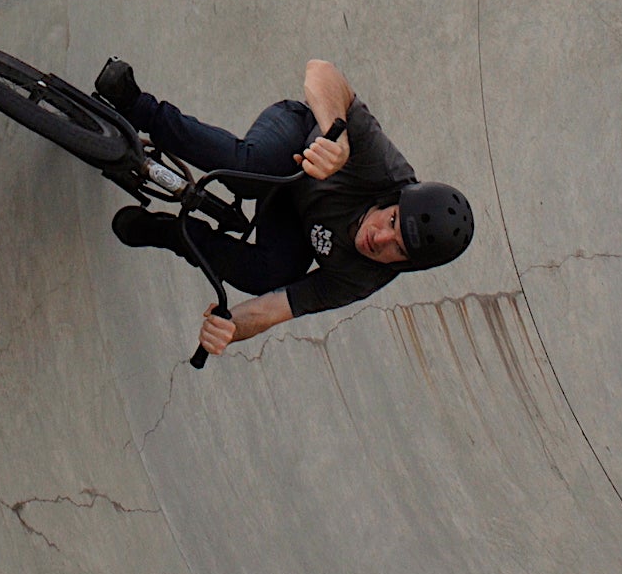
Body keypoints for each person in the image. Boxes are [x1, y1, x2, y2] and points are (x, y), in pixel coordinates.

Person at [96, 56, 474, 360]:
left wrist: (230, 329)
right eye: (391, 220)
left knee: (271, 274)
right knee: (247, 172)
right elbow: (321, 71)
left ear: (404, 266)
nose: (380, 238)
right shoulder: (381, 167)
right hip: (292, 140)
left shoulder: (360, 278)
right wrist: (337, 137)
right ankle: (137, 106)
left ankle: (170, 232)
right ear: (394, 199)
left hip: (292, 217)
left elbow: (275, 309)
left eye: (398, 249)